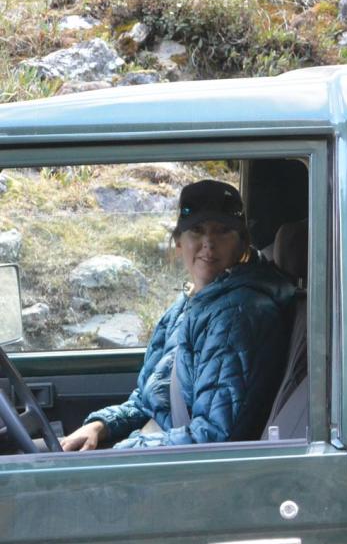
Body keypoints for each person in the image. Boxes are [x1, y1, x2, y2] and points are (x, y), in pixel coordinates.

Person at [61, 180, 295, 450]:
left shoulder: (238, 314)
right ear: (179, 242)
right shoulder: (189, 303)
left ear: (243, 244)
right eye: (197, 230)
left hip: (187, 465)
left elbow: (212, 436)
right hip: (163, 443)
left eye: (223, 231)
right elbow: (151, 397)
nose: (208, 243)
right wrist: (102, 425)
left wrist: (120, 453)